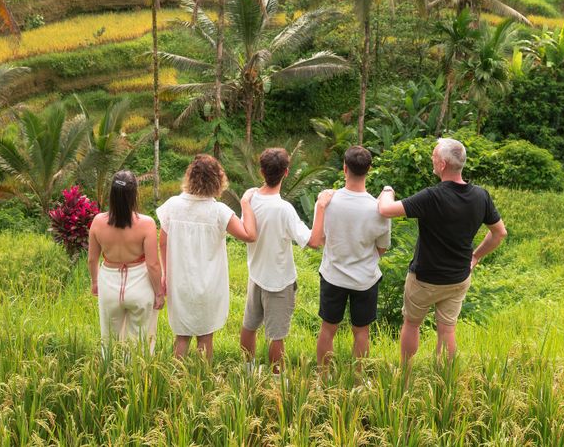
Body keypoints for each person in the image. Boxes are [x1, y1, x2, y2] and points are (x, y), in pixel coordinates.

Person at [377, 138, 507, 363]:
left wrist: (387, 191)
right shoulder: (480, 196)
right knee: (447, 330)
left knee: (411, 323)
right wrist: (475, 256)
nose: (432, 159)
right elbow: (499, 233)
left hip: (425, 279)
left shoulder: (432, 196)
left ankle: (405, 375)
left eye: (434, 156)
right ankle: (444, 380)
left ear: (443, 165)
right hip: (458, 278)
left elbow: (386, 210)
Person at [157, 154, 256, 360]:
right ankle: (203, 385)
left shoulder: (172, 206)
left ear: (190, 177)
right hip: (209, 285)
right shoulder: (219, 211)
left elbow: (163, 242)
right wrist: (246, 204)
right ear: (217, 181)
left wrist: (165, 274)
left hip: (180, 282)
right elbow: (248, 235)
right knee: (205, 337)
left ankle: (175, 384)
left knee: (182, 336)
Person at [239, 147, 324, 372]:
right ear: (286, 173)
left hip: (255, 275)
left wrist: (244, 203)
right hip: (279, 281)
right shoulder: (284, 209)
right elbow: (313, 242)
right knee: (276, 337)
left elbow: (245, 228)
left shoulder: (250, 198)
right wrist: (321, 207)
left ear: (261, 172)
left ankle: (248, 374)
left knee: (249, 327)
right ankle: (278, 383)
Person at [311, 145, 391, 367]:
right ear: (369, 169)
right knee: (361, 331)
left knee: (328, 328)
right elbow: (382, 248)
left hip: (333, 276)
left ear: (344, 168)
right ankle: (357, 381)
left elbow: (320, 237)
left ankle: (323, 377)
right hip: (365, 279)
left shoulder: (328, 201)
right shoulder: (379, 209)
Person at [88, 170, 164, 354]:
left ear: (111, 195)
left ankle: (110, 375)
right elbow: (153, 265)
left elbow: (92, 259)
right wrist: (159, 294)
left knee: (109, 341)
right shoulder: (146, 224)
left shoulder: (98, 222)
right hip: (140, 285)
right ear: (134, 195)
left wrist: (95, 282)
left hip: (109, 284)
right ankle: (135, 377)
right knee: (139, 342)